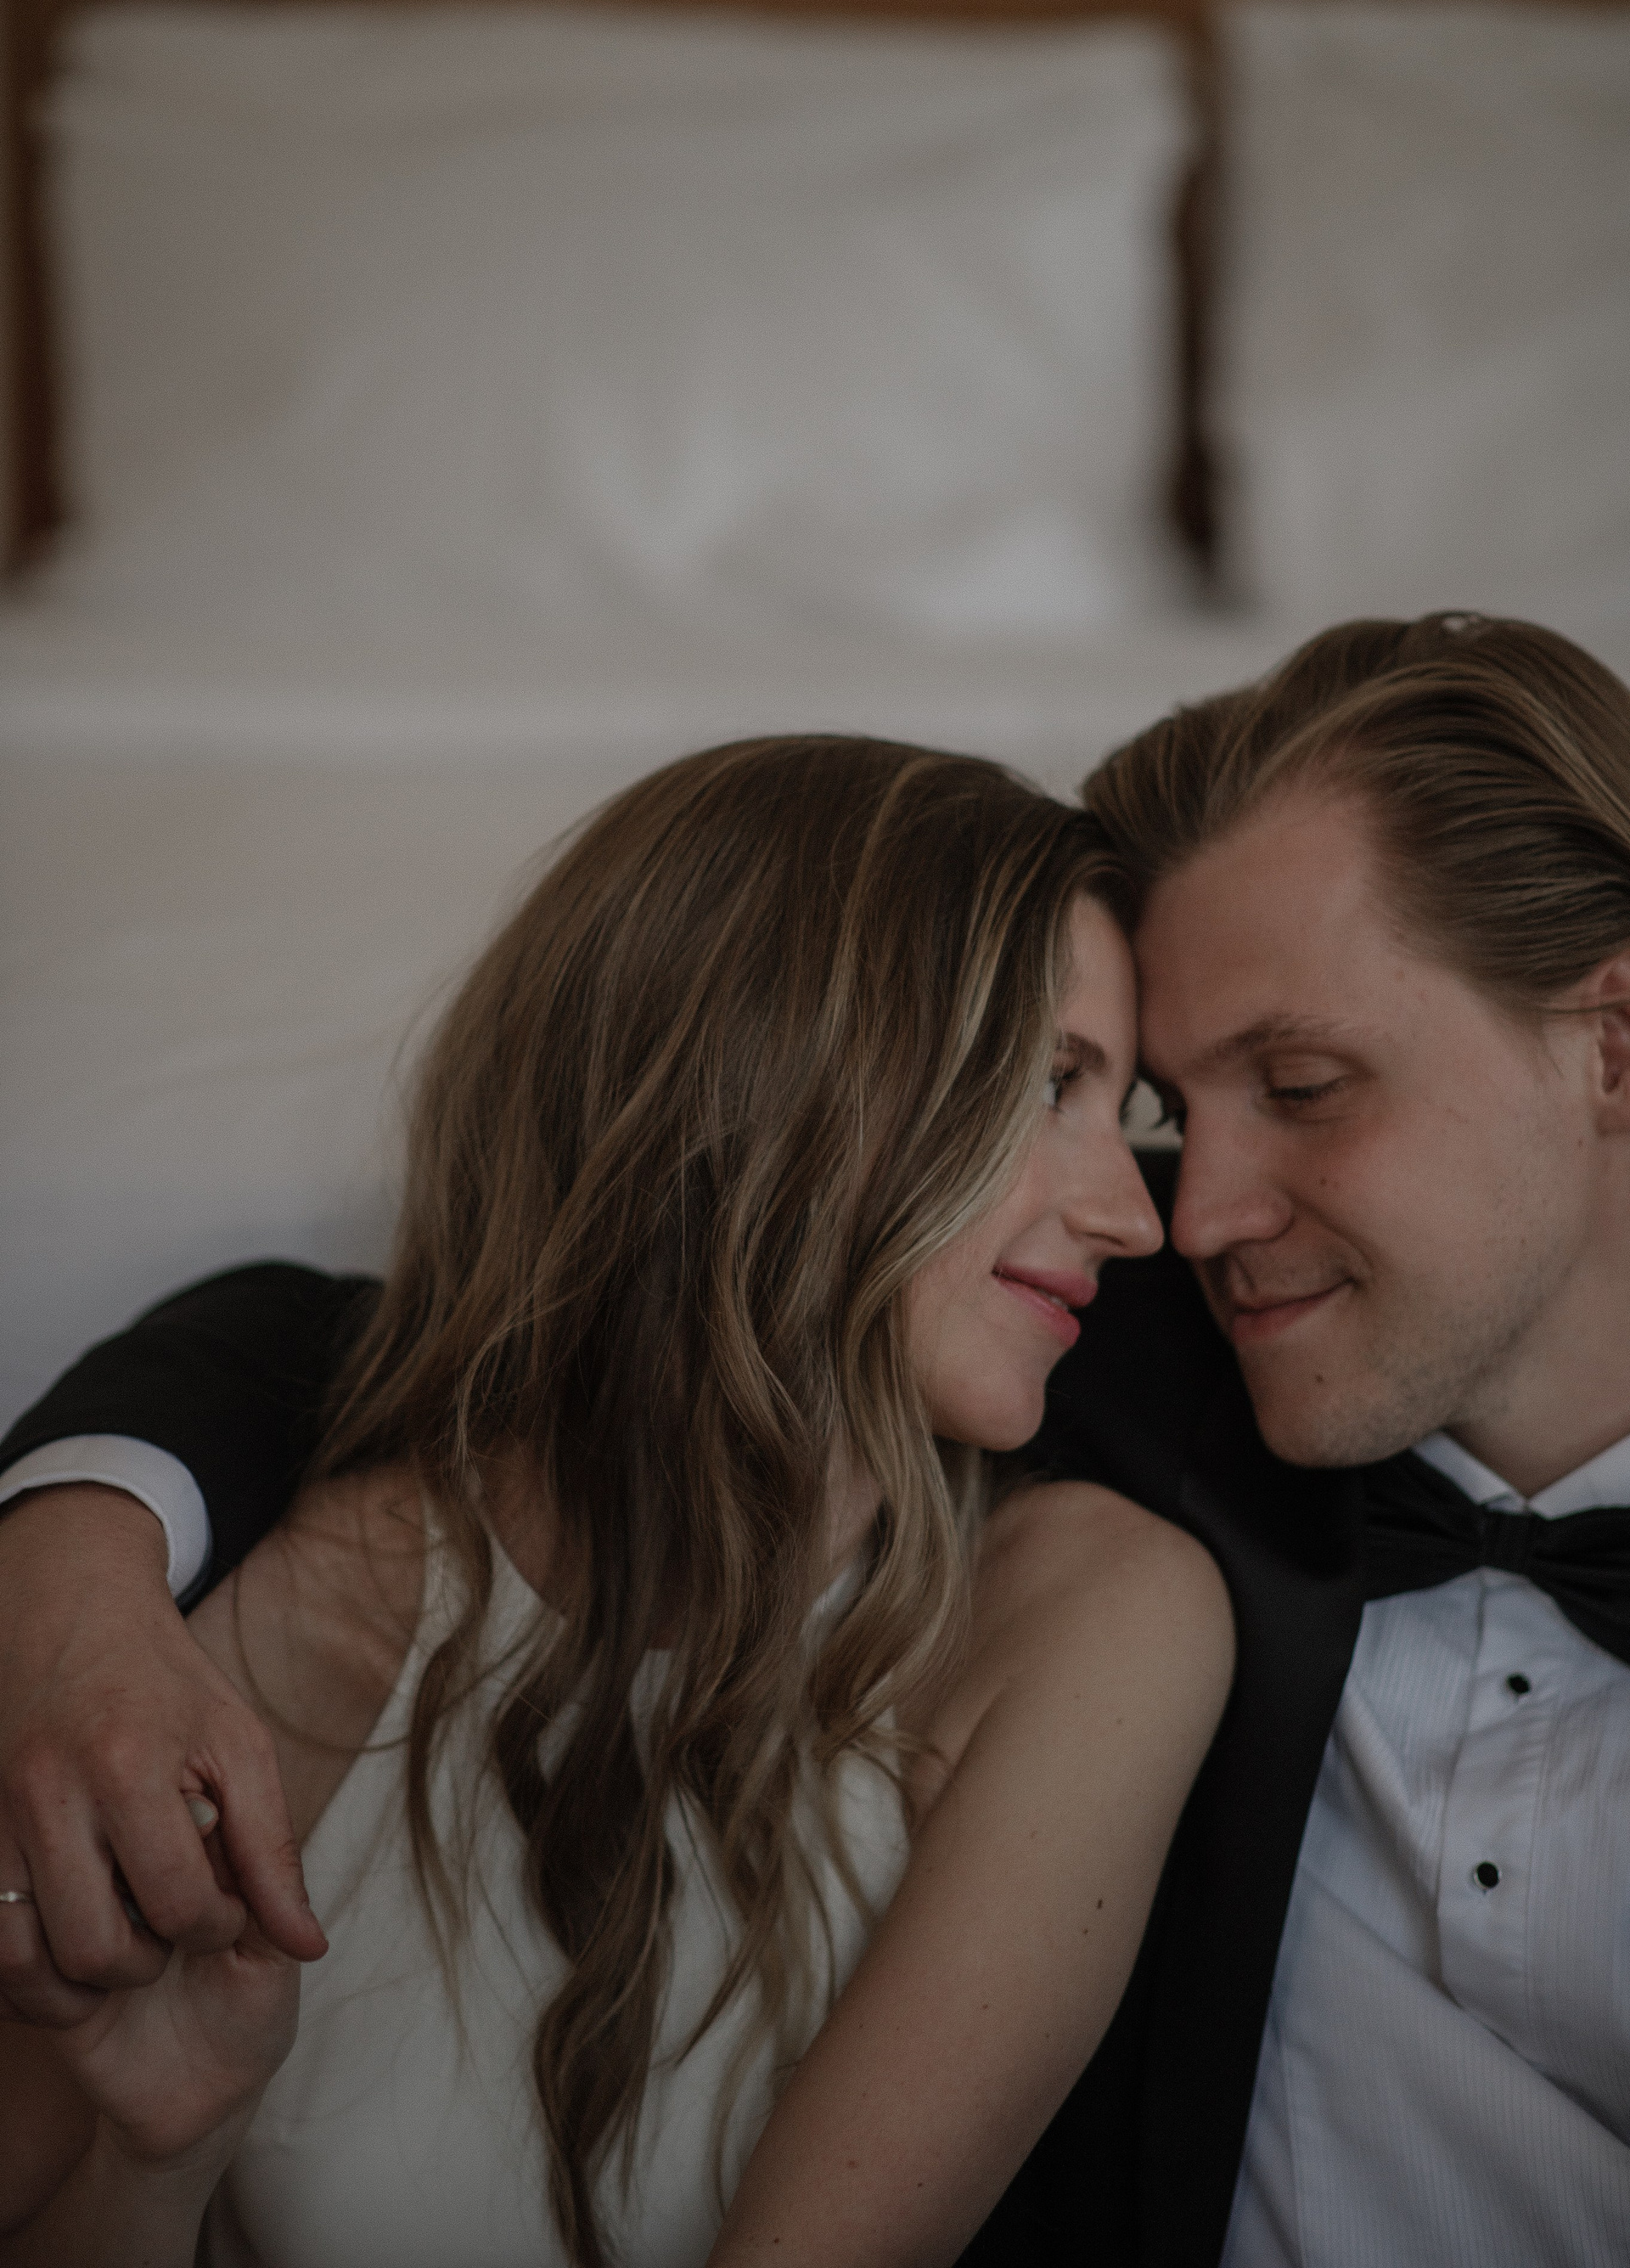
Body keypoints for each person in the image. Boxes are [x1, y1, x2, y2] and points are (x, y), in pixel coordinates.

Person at [8, 606, 1630, 2261]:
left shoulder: (1105, 1507)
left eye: (1301, 1083)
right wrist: (74, 1553)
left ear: (1614, 1045)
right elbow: (399, 1334)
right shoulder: (1146, 1322)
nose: (1179, 1215)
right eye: (1145, 1104)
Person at [0, 733, 1231, 2268]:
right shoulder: (310, 1608)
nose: (1135, 1215)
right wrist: (156, 2159)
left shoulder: (1087, 1618)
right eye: (1051, 1084)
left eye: (1126, 1110)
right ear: (775, 1072)